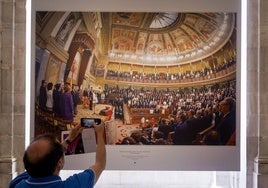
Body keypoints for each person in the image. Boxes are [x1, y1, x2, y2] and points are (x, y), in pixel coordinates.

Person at [8, 122, 106, 188]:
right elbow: (100, 164)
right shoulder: (74, 185)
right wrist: (100, 133)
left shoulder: (16, 183)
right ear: (59, 162)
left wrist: (70, 138)